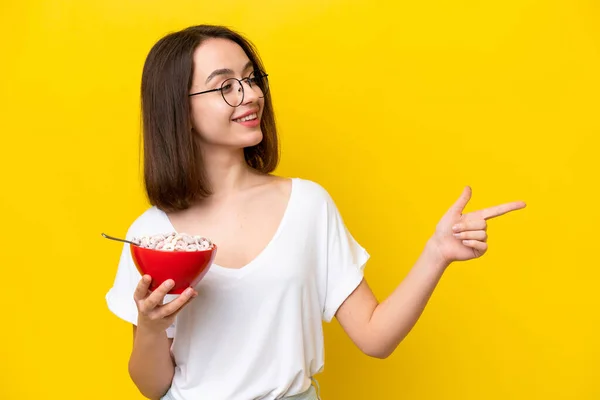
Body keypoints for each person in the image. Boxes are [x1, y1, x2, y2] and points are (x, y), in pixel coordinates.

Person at [105, 24, 526, 400]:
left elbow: (375, 337)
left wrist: (437, 253)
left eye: (252, 79)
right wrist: (151, 325)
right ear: (178, 108)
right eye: (226, 86)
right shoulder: (151, 236)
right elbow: (152, 386)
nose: (251, 94)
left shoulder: (307, 205)